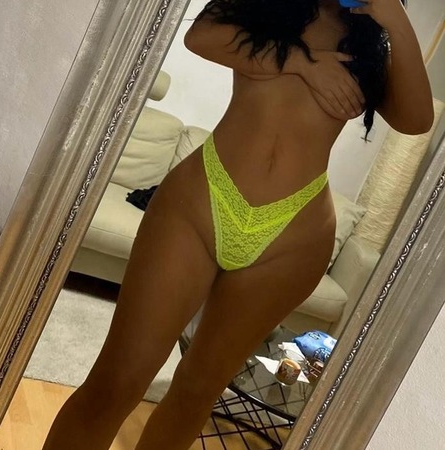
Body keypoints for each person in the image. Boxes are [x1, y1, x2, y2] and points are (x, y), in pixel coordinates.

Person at [43, 0, 433, 449]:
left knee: (197, 392)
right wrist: (302, 64)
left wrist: (394, 17)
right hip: (202, 200)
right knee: (119, 378)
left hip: (295, 235)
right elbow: (201, 36)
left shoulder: (369, 40)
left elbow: (416, 119)